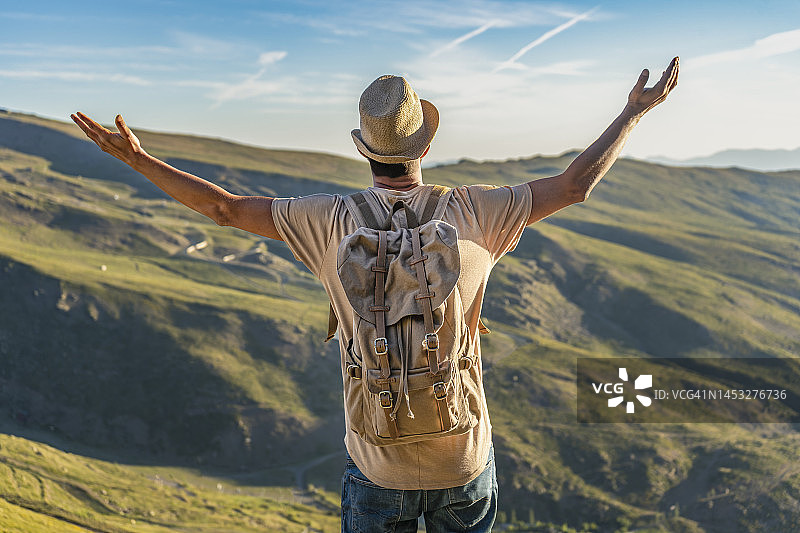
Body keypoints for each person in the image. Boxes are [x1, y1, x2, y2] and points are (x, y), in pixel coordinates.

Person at [71, 56, 679, 532]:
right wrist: (633, 112)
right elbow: (575, 185)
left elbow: (223, 208)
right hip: (462, 457)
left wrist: (139, 160)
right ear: (425, 146)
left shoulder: (327, 220)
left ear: (364, 149)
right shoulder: (475, 210)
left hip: (377, 460)